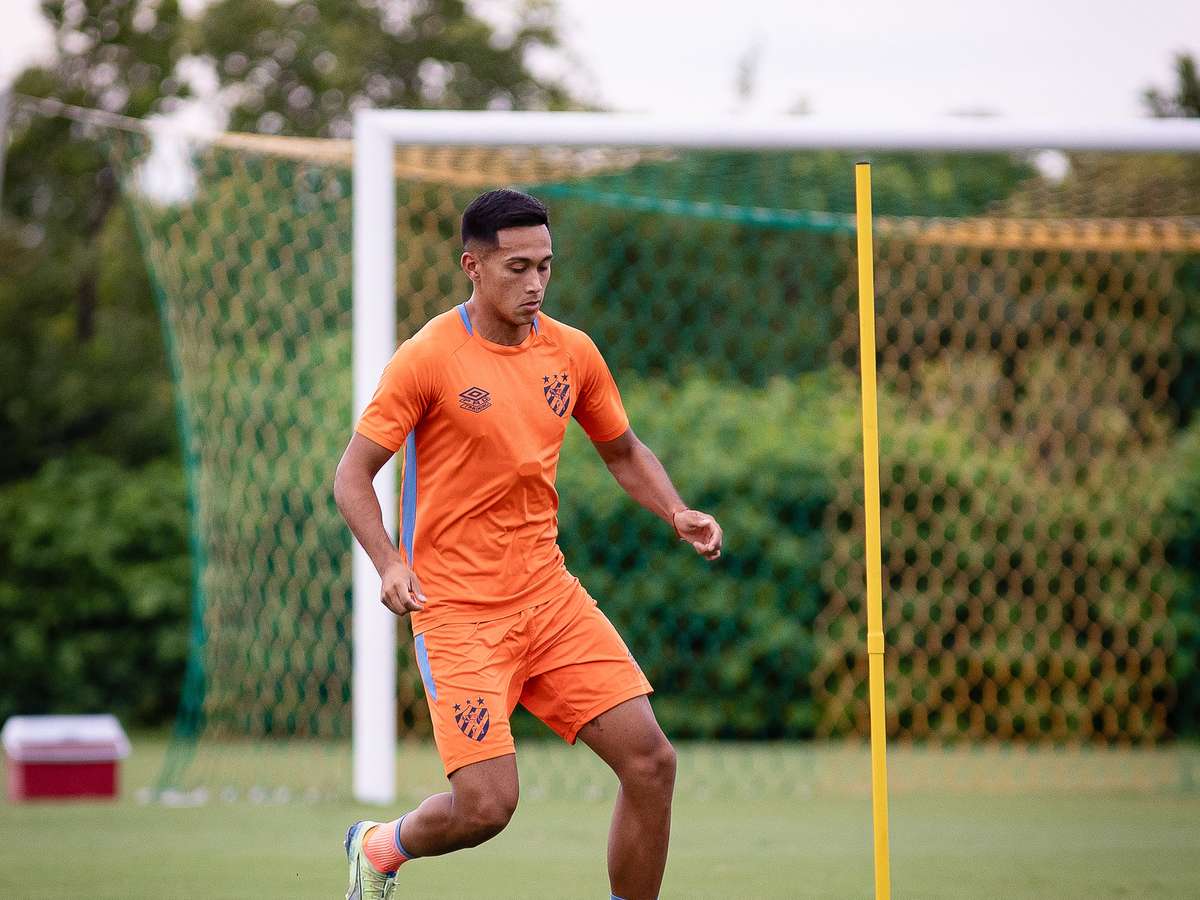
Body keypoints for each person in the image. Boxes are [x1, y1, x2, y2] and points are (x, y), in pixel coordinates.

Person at [334, 188, 723, 900]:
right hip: (457, 616)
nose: (536, 283)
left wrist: (676, 510)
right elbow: (352, 475)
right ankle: (380, 845)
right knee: (487, 808)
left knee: (651, 762)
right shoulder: (428, 357)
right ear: (473, 267)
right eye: (517, 268)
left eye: (545, 265)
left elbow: (623, 451)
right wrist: (388, 563)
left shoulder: (571, 352)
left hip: (549, 600)